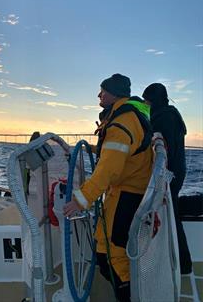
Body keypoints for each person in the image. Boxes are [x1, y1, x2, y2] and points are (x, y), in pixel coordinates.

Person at [64, 74, 153, 302]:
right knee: (107, 253)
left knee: (114, 259)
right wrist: (91, 150)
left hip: (126, 196)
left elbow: (109, 169)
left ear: (113, 93)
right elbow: (117, 153)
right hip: (127, 192)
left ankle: (127, 296)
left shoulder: (121, 123)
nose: (99, 95)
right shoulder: (127, 117)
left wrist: (81, 200)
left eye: (102, 91)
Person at [143, 82, 191, 274]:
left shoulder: (162, 118)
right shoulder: (172, 114)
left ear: (153, 100)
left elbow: (164, 150)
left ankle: (183, 264)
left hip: (169, 173)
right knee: (172, 215)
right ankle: (181, 262)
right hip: (178, 171)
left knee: (172, 217)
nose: (146, 105)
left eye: (147, 101)